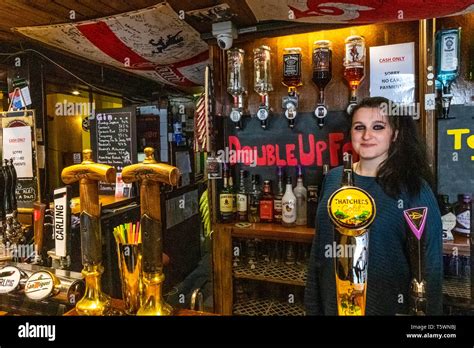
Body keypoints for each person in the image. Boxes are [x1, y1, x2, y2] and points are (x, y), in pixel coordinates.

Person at [304, 97, 443, 315]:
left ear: (395, 134)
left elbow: (430, 270)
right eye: (359, 127)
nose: (367, 136)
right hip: (333, 307)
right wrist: (312, 309)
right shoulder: (333, 179)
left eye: (378, 127)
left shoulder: (414, 189)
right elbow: (318, 257)